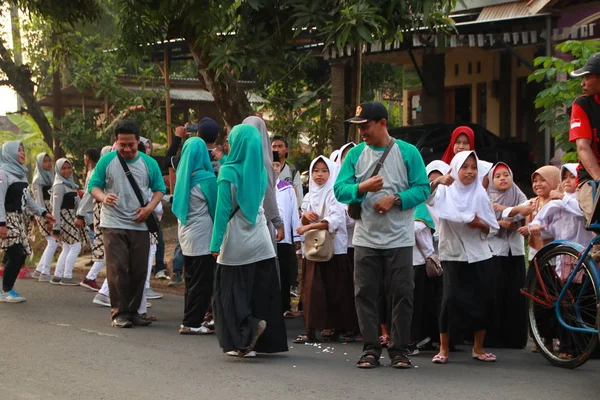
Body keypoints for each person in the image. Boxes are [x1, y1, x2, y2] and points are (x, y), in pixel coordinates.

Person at [334, 101, 430, 369]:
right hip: (365, 238)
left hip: (399, 238)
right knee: (364, 293)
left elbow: (423, 189)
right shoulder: (355, 156)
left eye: (365, 126)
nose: (362, 132)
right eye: (359, 127)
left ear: (383, 123)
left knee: (402, 293)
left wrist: (395, 199)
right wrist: (362, 187)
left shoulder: (408, 152)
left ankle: (399, 350)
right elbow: (340, 190)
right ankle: (370, 349)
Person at [210, 123, 288, 357]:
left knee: (230, 295)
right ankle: (262, 342)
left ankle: (243, 339)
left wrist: (215, 245)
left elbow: (223, 212)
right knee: (259, 293)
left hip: (237, 242)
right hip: (262, 241)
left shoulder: (228, 172)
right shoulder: (261, 170)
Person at [89, 120, 166, 328]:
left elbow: (160, 189)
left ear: (138, 141)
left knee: (140, 269)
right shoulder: (107, 161)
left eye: (131, 144)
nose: (127, 149)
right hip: (112, 222)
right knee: (118, 268)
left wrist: (149, 208)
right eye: (122, 144)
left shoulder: (149, 163)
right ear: (116, 142)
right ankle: (119, 313)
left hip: (140, 223)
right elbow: (93, 186)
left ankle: (134, 312)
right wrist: (103, 197)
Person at [429, 150, 499, 364]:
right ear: (455, 169)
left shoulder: (480, 194)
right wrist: (438, 181)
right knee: (449, 301)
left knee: (482, 301)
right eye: (465, 167)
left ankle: (478, 348)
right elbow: (426, 197)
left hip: (479, 255)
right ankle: (443, 349)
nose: (470, 172)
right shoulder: (444, 192)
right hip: (452, 254)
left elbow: (494, 229)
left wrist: (478, 224)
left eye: (473, 167)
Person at [295, 155, 357, 343]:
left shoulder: (334, 193)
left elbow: (336, 221)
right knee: (312, 290)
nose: (319, 175)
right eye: (315, 170)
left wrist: (308, 227)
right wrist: (305, 217)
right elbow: (302, 219)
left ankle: (337, 327)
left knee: (335, 289)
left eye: (324, 171)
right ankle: (310, 329)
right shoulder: (308, 195)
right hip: (313, 249)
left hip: (333, 250)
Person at [173, 137, 217, 335]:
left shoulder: (182, 178)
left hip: (186, 236)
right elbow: (217, 208)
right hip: (203, 238)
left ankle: (189, 318)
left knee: (191, 280)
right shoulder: (207, 179)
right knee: (202, 282)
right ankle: (192, 322)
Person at [0, 141, 55, 302]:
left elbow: (28, 199)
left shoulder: (21, 173)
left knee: (20, 254)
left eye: (23, 150)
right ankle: (6, 291)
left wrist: (44, 213)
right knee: (16, 254)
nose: (22, 153)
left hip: (18, 219)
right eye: (19, 150)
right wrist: (1, 224)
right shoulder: (3, 173)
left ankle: (7, 288)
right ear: (9, 153)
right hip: (7, 218)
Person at [486, 162, 528, 349]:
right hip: (494, 252)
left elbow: (527, 210)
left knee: (515, 294)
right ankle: (493, 337)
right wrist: (509, 217)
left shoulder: (518, 195)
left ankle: (515, 338)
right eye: (497, 176)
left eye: (506, 175)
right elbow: (486, 216)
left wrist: (505, 212)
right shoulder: (485, 197)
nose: (502, 178)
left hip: (515, 251)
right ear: (491, 180)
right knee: (495, 293)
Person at [272, 151, 301, 317]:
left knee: (284, 272)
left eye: (277, 165)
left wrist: (296, 237)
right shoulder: (262, 186)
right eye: (272, 165)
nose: (275, 168)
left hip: (285, 239)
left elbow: (293, 214)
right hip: (268, 237)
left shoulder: (287, 188)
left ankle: (285, 305)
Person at [50, 158, 86, 286]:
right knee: (76, 246)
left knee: (66, 248)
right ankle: (67, 276)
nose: (66, 171)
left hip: (70, 217)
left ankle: (58, 275)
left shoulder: (70, 184)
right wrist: (56, 227)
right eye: (63, 168)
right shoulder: (59, 185)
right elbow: (55, 207)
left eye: (68, 168)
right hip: (65, 218)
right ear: (58, 170)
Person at [77, 148, 103, 290]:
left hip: (92, 211)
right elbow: (89, 193)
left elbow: (88, 193)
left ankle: (92, 277)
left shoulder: (95, 172)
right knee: (102, 247)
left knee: (100, 246)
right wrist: (80, 213)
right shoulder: (93, 173)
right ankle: (91, 278)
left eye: (85, 156)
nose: (84, 159)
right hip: (94, 211)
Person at [31, 152, 57, 281]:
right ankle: (45, 273)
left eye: (49, 161)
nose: (48, 164)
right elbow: (39, 201)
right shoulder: (38, 180)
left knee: (52, 241)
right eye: (45, 161)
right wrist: (45, 218)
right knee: (53, 241)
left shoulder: (51, 176)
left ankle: (39, 270)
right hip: (43, 213)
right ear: (39, 163)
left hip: (50, 212)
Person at [272, 135, 303, 208]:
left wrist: (299, 209)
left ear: (286, 150)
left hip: (288, 207)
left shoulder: (292, 169)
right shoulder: (265, 167)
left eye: (280, 146)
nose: (276, 149)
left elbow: (299, 192)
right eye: (274, 146)